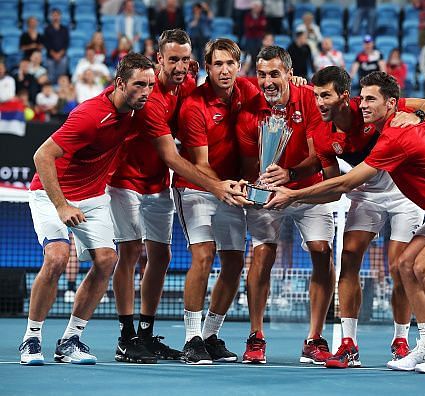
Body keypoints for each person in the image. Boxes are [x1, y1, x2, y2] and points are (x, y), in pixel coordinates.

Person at [266, 71, 425, 374]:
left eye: (370, 100)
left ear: (391, 104)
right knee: (406, 265)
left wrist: (292, 195)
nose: (362, 105)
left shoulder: (397, 134)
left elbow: (345, 183)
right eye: (362, 98)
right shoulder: (373, 125)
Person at [107, 30, 247, 365]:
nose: (181, 66)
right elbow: (173, 157)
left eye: (186, 59)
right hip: (125, 180)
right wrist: (218, 186)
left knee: (162, 256)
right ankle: (126, 338)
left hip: (157, 185)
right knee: (128, 253)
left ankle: (145, 334)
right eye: (173, 60)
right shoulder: (151, 98)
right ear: (159, 60)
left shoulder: (186, 83)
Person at [19, 52, 156, 366]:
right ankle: (31, 337)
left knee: (107, 260)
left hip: (94, 196)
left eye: (149, 84)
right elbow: (42, 156)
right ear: (120, 83)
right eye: (139, 84)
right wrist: (62, 205)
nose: (147, 91)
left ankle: (70, 339)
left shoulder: (138, 106)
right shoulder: (90, 114)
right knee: (56, 258)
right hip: (52, 193)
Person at [308, 66, 425, 369]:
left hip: (402, 192)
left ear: (345, 97)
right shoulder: (321, 134)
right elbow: (334, 188)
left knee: (399, 267)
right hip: (363, 193)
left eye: (325, 96)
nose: (319, 103)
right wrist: (290, 194)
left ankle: (400, 339)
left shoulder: (370, 104)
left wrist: (417, 116)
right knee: (349, 258)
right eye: (316, 96)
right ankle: (349, 344)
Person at [237, 46, 335, 365]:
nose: (267, 81)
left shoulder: (308, 98)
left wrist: (291, 173)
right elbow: (250, 162)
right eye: (261, 74)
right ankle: (256, 336)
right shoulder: (250, 109)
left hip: (306, 189)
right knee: (263, 253)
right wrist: (260, 182)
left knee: (322, 251)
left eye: (274, 74)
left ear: (288, 74)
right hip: (268, 192)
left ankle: (314, 337)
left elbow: (318, 155)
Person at [174, 38, 259, 365]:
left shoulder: (248, 91)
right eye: (218, 64)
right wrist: (224, 186)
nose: (225, 70)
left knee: (236, 262)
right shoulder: (194, 105)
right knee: (204, 255)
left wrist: (295, 81)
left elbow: (279, 95)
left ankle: (210, 334)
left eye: (230, 64)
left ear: (239, 66)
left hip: (232, 189)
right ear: (207, 67)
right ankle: (191, 339)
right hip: (195, 187)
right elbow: (200, 163)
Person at [43, 9, 69, 84]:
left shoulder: (64, 29)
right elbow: (46, 43)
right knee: (51, 76)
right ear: (51, 17)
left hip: (62, 56)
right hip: (50, 56)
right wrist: (54, 54)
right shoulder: (47, 29)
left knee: (62, 75)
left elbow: (66, 43)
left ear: (60, 16)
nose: (55, 17)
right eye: (54, 15)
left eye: (57, 15)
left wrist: (60, 54)